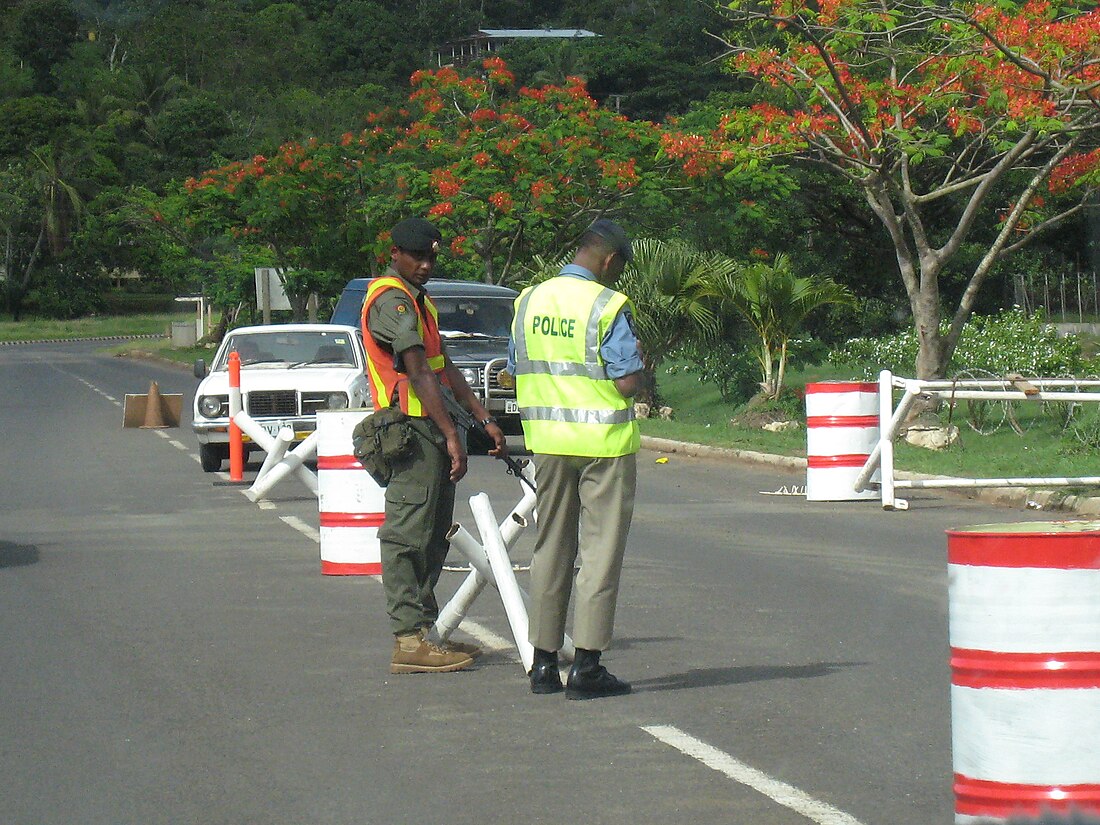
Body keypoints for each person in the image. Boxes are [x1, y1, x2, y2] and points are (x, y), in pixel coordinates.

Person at [361, 217, 508, 674]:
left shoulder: (420, 302)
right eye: (417, 257)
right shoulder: (392, 302)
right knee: (407, 536)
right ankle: (408, 640)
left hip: (431, 429)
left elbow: (444, 367)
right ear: (396, 255)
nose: (425, 265)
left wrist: (482, 417)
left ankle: (425, 633)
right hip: (409, 431)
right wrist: (450, 434)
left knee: (432, 533)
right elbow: (419, 372)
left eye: (431, 257)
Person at [508, 218, 647, 699]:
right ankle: (586, 668)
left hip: (547, 443)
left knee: (550, 548)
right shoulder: (608, 305)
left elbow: (515, 367)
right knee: (599, 554)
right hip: (603, 447)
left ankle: (543, 665)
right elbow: (627, 380)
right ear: (609, 261)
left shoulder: (528, 301)